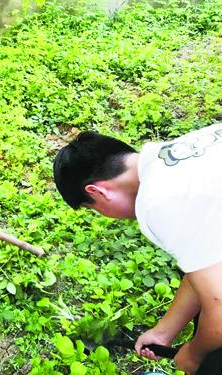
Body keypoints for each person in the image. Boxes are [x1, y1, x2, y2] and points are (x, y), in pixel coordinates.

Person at [52, 124, 222, 375]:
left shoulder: (159, 200)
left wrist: (194, 355)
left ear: (97, 192)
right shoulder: (183, 155)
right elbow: (209, 266)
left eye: (94, 208)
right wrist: (165, 331)